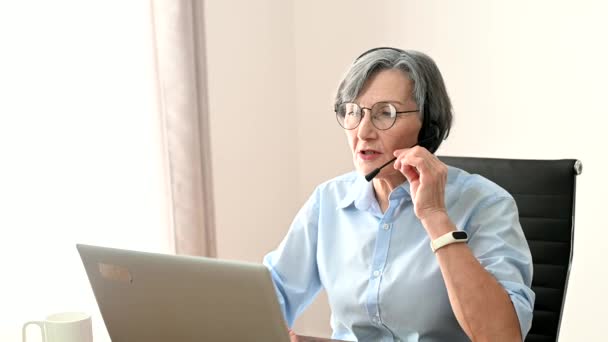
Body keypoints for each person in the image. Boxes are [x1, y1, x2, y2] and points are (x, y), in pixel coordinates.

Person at [264, 47, 534, 342]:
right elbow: (268, 297)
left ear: (428, 128)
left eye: (385, 113)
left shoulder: (485, 205)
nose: (363, 131)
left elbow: (502, 337)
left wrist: (435, 217)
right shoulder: (328, 201)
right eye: (353, 112)